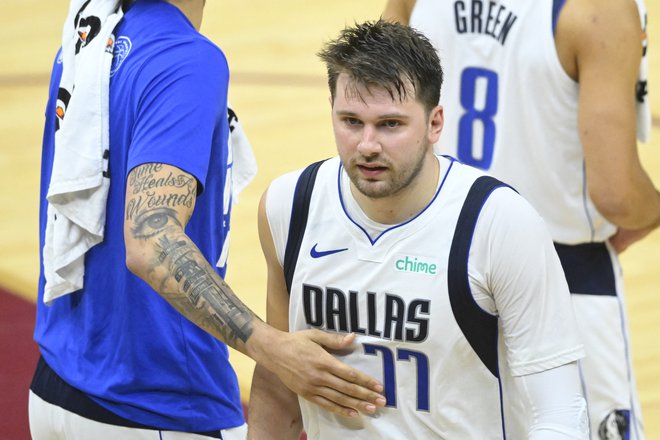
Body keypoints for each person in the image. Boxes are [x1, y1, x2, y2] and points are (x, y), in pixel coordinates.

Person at [28, 1, 387, 438]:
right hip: (155, 404)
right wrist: (273, 347)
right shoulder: (187, 59)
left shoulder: (90, 35)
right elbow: (149, 240)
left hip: (56, 384)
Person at [247, 20, 590, 439]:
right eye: (351, 121)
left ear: (435, 123)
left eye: (390, 124)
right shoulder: (289, 205)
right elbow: (279, 380)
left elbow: (561, 411)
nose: (368, 145)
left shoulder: (500, 223)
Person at [382, 1, 660, 438]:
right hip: (565, 278)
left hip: (436, 267)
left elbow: (381, 111)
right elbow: (617, 195)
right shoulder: (599, 11)